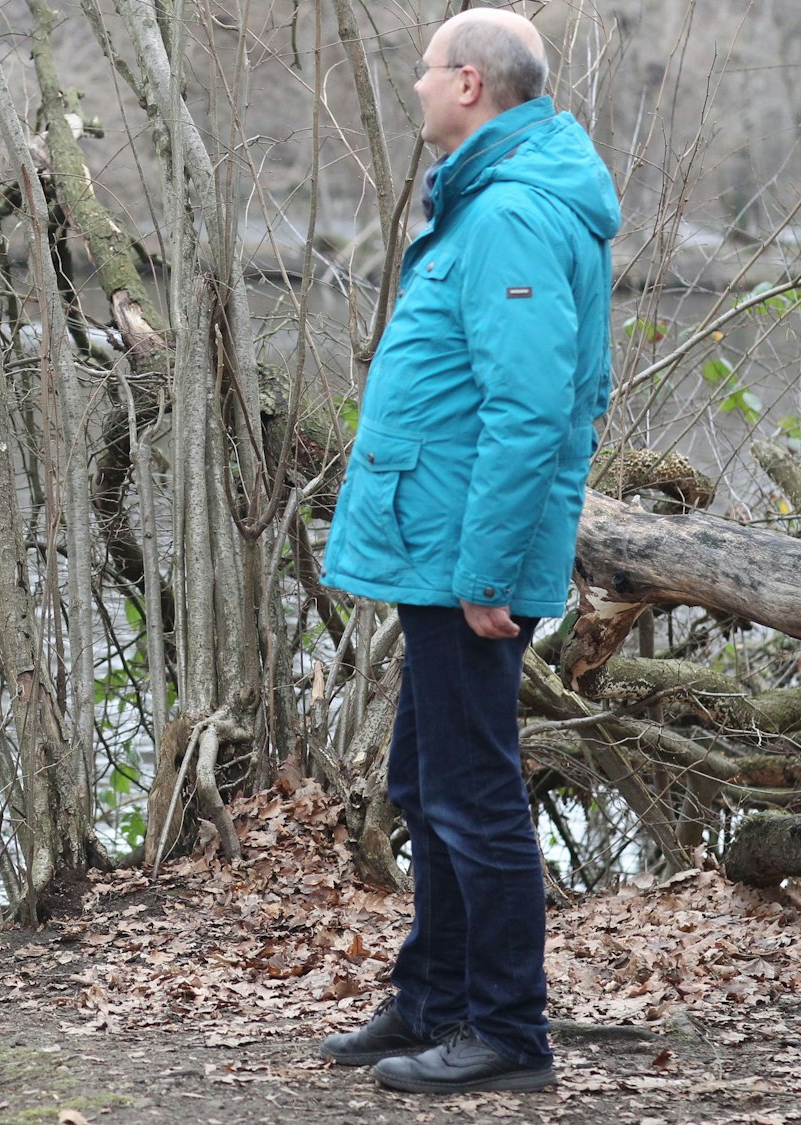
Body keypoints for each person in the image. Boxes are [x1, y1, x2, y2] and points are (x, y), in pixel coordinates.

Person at [315, 7, 620, 1095]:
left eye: (425, 70)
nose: (411, 87)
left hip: (466, 561)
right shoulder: (487, 200)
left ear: (470, 86)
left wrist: (490, 570)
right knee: (423, 780)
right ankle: (432, 1002)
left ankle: (505, 1033)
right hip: (440, 544)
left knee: (470, 797)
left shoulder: (509, 218)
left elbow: (531, 408)